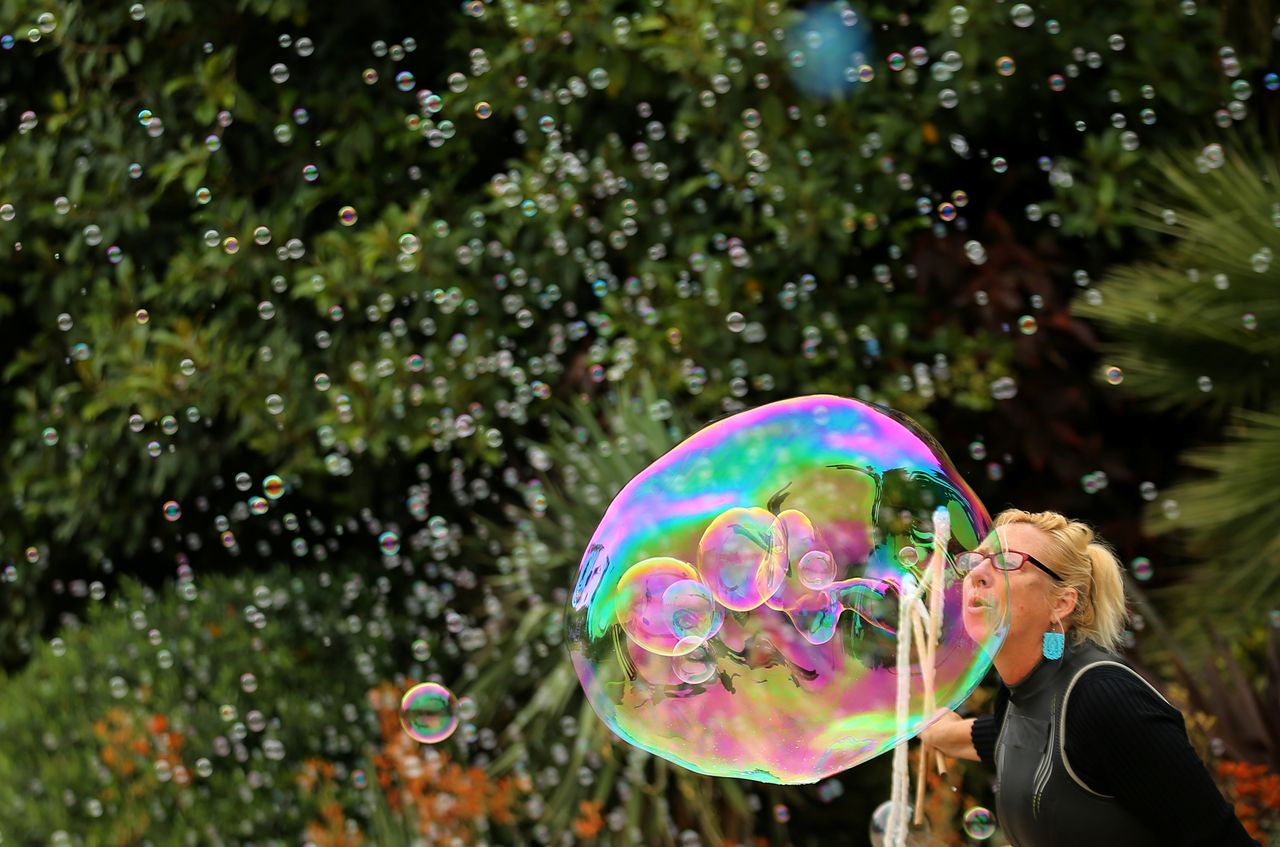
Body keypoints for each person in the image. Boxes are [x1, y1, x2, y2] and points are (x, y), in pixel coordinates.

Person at [919, 508, 1259, 846]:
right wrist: (948, 733)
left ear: (1062, 603)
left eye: (1006, 561)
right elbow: (1030, 737)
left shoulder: (1106, 697)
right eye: (975, 560)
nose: (977, 572)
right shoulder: (1018, 695)